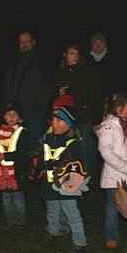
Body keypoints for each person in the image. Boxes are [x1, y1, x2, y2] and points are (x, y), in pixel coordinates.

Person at [96, 93, 127, 249]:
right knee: (113, 209)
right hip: (114, 178)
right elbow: (106, 152)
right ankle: (111, 236)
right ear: (119, 109)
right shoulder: (107, 127)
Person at [36, 106, 89, 253]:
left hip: (67, 185)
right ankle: (53, 232)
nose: (55, 123)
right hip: (48, 183)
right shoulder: (46, 139)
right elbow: (41, 158)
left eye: (60, 121)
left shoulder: (74, 143)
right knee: (52, 210)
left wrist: (60, 167)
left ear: (68, 124)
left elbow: (77, 165)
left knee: (72, 214)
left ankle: (80, 242)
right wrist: (39, 167)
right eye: (53, 120)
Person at [52, 43, 102, 183]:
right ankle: (68, 178)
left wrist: (97, 119)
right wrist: (59, 93)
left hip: (83, 117)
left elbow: (95, 95)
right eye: (71, 53)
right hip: (65, 119)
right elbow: (52, 94)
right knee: (67, 149)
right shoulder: (60, 72)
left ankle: (89, 178)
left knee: (85, 147)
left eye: (76, 53)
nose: (74, 57)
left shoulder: (87, 71)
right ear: (65, 55)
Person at [3, 31, 49, 149]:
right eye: (21, 42)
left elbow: (46, 88)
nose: (24, 44)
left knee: (34, 147)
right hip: (16, 114)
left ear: (33, 42)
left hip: (35, 114)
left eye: (27, 41)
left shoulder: (42, 62)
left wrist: (42, 110)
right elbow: (8, 86)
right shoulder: (13, 62)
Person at [0, 102, 31, 228]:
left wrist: (6, 156)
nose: (11, 117)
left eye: (14, 114)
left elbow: (23, 153)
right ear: (4, 117)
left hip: (18, 172)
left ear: (19, 118)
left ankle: (20, 223)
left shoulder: (23, 132)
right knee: (6, 200)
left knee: (18, 199)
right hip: (3, 173)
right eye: (8, 114)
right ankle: (10, 222)